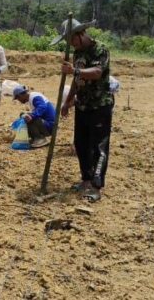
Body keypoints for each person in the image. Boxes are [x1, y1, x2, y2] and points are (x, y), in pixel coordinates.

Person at [58, 18, 113, 203]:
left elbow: (97, 72)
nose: (71, 43)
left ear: (80, 35)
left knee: (99, 146)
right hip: (82, 105)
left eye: (72, 39)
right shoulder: (77, 53)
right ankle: (86, 179)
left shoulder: (100, 49)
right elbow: (76, 79)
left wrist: (74, 70)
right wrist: (68, 101)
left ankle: (96, 186)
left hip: (100, 106)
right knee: (81, 144)